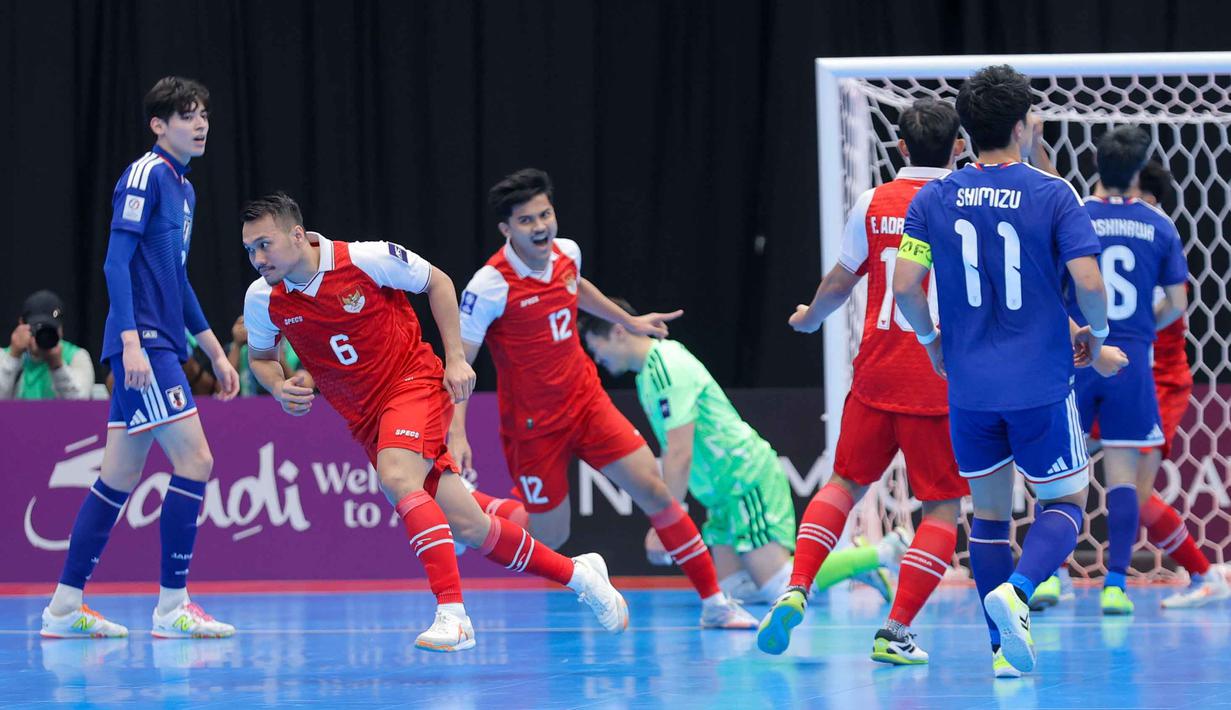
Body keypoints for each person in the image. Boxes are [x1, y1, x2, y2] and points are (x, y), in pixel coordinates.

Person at [240, 192, 627, 653]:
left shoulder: (365, 258)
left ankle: (453, 613)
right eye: (249, 250)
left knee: (396, 476)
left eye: (265, 244)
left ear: (297, 235)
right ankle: (581, 576)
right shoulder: (264, 298)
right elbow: (263, 357)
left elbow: (438, 283)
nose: (257, 258)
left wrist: (456, 360)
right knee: (469, 527)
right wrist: (278, 387)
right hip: (365, 417)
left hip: (412, 382)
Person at [890, 64, 1126, 677]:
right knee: (1067, 504)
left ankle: (1001, 652)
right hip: (1040, 386)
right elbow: (1090, 282)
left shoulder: (931, 198)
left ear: (963, 134)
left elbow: (907, 287)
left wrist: (930, 341)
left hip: (969, 388)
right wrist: (1096, 337)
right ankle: (1018, 592)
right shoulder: (1053, 193)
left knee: (989, 515)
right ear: (1024, 126)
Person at [449, 168, 755, 629]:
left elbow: (577, 289)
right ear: (506, 230)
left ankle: (715, 603)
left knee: (655, 490)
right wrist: (455, 432)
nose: (541, 227)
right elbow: (459, 365)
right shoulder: (490, 285)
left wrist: (628, 321)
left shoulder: (567, 253)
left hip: (587, 403)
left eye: (546, 214)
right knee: (549, 536)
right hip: (534, 425)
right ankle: (473, 505)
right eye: (528, 221)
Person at [756, 99, 970, 666]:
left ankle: (798, 585)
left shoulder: (873, 201)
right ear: (958, 147)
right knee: (942, 508)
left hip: (874, 371)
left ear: (901, 148)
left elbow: (840, 280)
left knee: (844, 484)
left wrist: (809, 318)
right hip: (938, 379)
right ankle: (895, 630)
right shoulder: (964, 202)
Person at [41, 77, 241, 640]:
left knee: (118, 477)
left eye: (204, 114)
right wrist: (131, 340)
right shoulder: (146, 174)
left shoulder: (185, 189)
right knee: (196, 461)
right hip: (145, 346)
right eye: (186, 115)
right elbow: (114, 263)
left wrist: (214, 353)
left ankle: (62, 608)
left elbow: (175, 280)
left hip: (161, 341)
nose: (200, 124)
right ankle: (172, 607)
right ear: (158, 125)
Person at [579, 298, 910, 607]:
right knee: (732, 594)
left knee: (777, 588)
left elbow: (678, 453)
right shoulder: (647, 376)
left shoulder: (667, 366)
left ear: (618, 331)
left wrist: (669, 522)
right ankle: (854, 562)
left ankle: (882, 552)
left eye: (596, 349)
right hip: (720, 494)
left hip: (744, 477)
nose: (598, 360)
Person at [1031, 157, 1229, 611]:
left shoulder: (1132, 236)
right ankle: (1087, 578)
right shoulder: (1150, 235)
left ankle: (1199, 572)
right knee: (1098, 479)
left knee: (1111, 485)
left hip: (1155, 375)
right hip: (1128, 364)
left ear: (1148, 198)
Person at [0, 290, 95, 400]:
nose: (43, 335)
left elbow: (81, 407)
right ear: (22, 325)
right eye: (37, 329)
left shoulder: (76, 356)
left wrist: (58, 367)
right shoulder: (4, 356)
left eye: (50, 329)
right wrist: (13, 357)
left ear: (61, 329)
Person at [227, 314, 312, 396]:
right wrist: (237, 345)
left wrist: (272, 346)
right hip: (245, 408)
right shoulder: (235, 349)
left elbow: (306, 387)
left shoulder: (300, 347)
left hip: (285, 406)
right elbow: (222, 391)